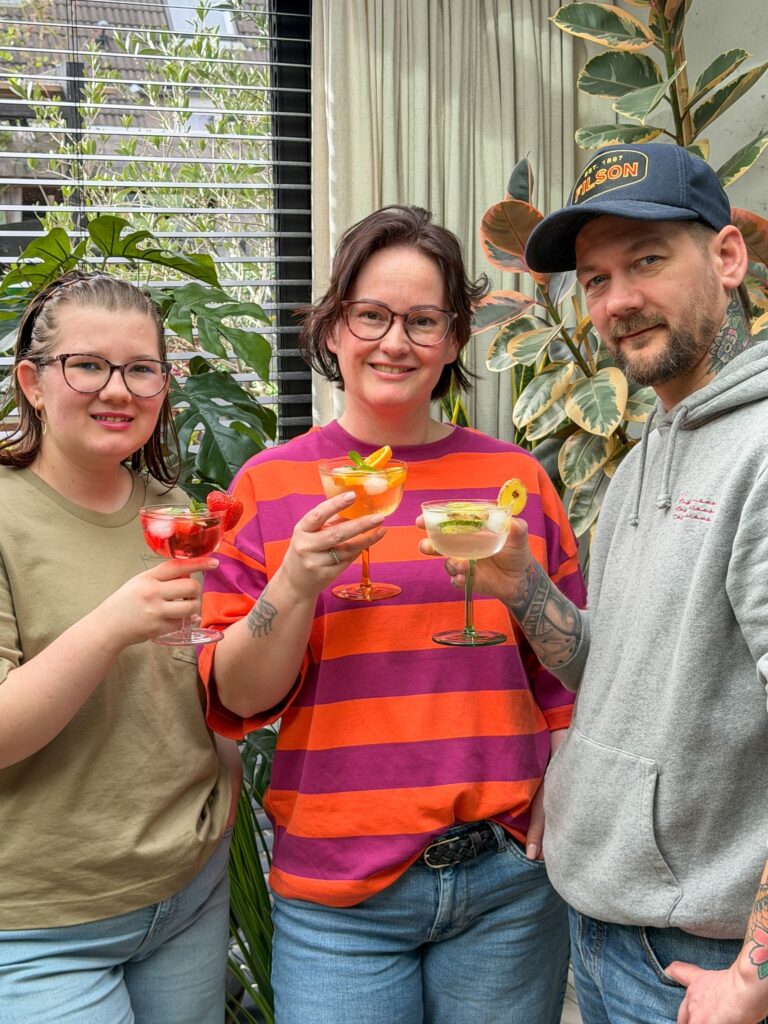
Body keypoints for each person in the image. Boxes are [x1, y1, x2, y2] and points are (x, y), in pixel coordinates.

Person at [198, 205, 586, 1023]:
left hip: (506, 879)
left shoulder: (514, 478)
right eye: (370, 315)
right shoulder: (267, 487)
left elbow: (565, 668)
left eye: (422, 320)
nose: (394, 341)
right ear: (333, 328)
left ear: (453, 339)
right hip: (338, 891)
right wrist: (294, 584)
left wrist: (568, 779)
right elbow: (236, 697)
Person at [426, 143, 768, 1024]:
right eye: (594, 278)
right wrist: (520, 584)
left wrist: (755, 976)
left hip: (706, 959)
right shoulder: (643, 452)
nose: (617, 302)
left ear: (727, 258)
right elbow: (610, 673)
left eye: (647, 260)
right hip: (605, 930)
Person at [0, 271, 239, 1023]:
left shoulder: (176, 514)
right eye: (88, 365)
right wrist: (110, 625)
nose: (118, 390)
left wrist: (226, 780)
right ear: (33, 382)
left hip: (188, 895)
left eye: (142, 369)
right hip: (42, 923)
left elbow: (200, 677)